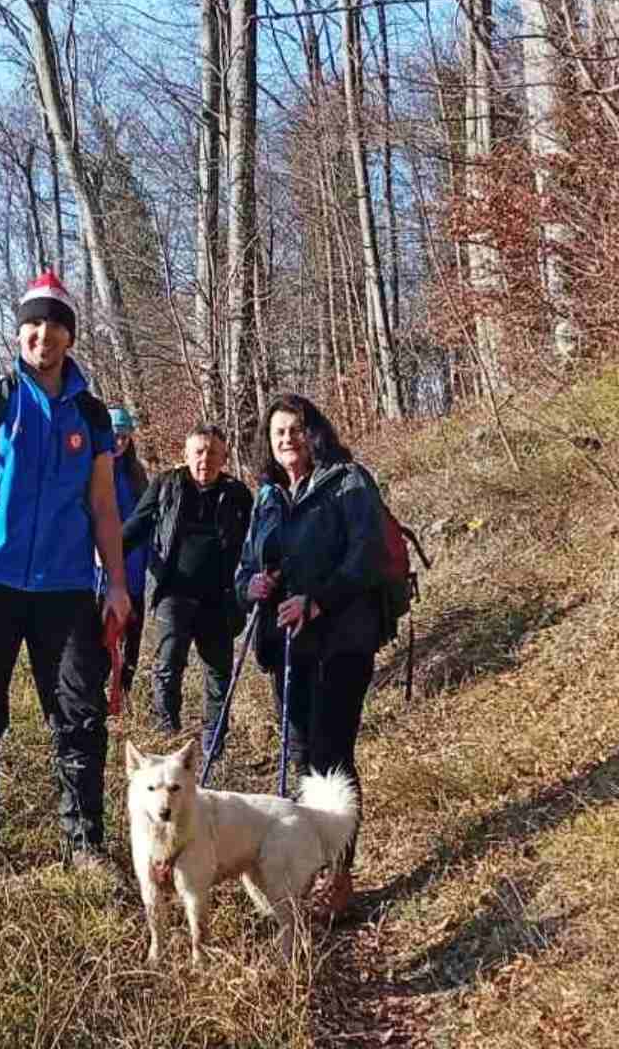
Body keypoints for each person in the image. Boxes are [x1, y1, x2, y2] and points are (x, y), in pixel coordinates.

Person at [0, 269, 130, 884]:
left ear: (70, 336)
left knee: (80, 716)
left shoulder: (92, 417)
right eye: (32, 325)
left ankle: (85, 846)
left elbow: (103, 507)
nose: (42, 335)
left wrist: (117, 584)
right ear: (19, 333)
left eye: (54, 326)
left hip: (66, 590)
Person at [235, 392, 387, 919]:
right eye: (277, 432)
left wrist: (316, 600)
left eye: (295, 429)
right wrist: (251, 586)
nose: (287, 439)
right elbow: (245, 567)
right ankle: (306, 867)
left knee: (330, 755)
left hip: (342, 640)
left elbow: (365, 555)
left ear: (314, 432)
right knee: (303, 755)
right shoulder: (267, 497)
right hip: (288, 647)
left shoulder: (348, 481)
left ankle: (340, 877)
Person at [122, 424, 252, 763]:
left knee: (218, 674)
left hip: (219, 598)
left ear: (224, 457)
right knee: (167, 666)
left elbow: (256, 540)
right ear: (186, 454)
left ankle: (213, 749)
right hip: (173, 593)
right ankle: (167, 741)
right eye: (199, 452)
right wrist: (109, 552)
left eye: (213, 453)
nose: (205, 459)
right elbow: (139, 523)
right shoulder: (166, 485)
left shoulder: (237, 494)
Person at [95, 406, 150, 692]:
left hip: (134, 569)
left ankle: (124, 694)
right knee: (99, 638)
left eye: (125, 437)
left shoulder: (136, 473)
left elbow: (148, 517)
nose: (119, 442)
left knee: (132, 638)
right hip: (100, 571)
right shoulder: (91, 468)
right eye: (115, 435)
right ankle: (97, 694)